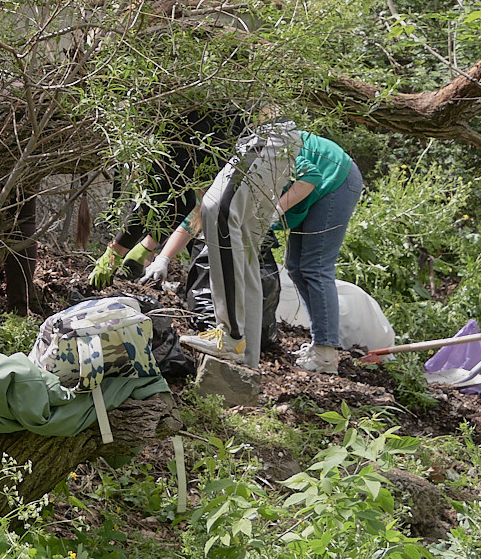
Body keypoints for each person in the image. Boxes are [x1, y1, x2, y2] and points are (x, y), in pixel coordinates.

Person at [143, 113, 366, 373]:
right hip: (316, 187)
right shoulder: (227, 174)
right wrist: (163, 259)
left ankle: (326, 353)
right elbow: (200, 215)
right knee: (296, 267)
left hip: (336, 176)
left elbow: (310, 177)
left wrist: (272, 212)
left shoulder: (260, 155)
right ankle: (317, 345)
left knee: (314, 267)